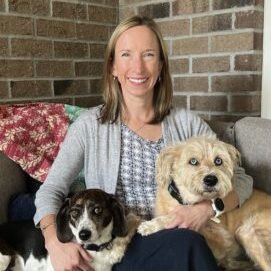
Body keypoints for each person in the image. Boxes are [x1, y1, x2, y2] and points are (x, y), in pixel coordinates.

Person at [34, 15, 253, 271]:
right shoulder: (89, 125)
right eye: (126, 54)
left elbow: (241, 179)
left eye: (148, 55)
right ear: (113, 66)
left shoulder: (187, 124)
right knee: (187, 245)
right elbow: (50, 191)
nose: (138, 67)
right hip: (115, 246)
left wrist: (206, 209)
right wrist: (54, 242)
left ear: (160, 66)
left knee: (188, 242)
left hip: (172, 234)